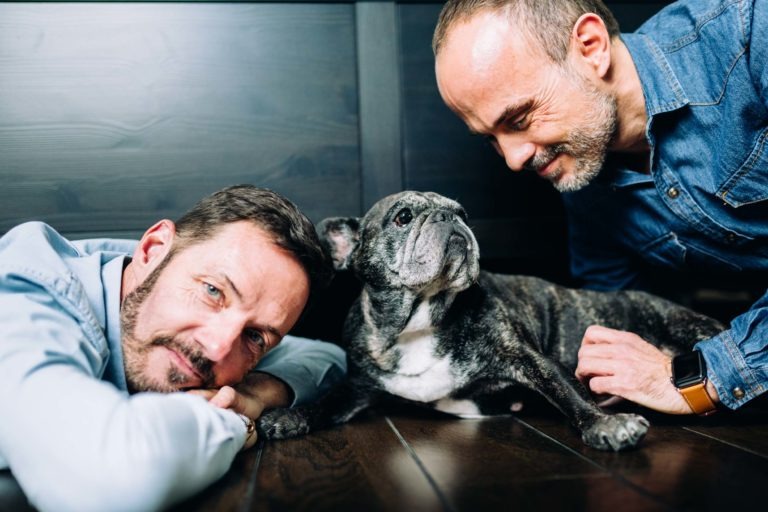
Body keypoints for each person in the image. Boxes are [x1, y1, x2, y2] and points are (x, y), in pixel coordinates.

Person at [432, 0, 767, 415]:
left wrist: (703, 377)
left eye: (518, 119)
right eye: (490, 138)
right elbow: (614, 317)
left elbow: (690, 378)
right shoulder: (582, 176)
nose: (513, 159)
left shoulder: (751, 32)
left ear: (591, 47)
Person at [0, 185, 347, 511]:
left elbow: (327, 358)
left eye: (255, 337)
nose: (217, 347)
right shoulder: (26, 294)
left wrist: (255, 396)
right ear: (152, 250)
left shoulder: (181, 268)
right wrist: (233, 421)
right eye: (213, 292)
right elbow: (109, 478)